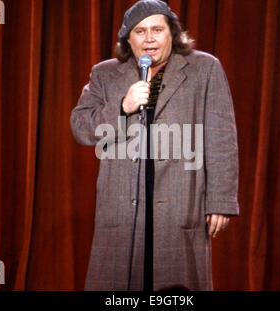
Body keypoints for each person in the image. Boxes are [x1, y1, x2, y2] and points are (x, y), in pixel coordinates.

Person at [70, 0, 239, 291]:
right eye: (140, 31)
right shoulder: (105, 73)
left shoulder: (205, 69)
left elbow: (221, 137)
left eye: (157, 30)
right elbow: (81, 127)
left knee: (177, 290)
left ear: (172, 34)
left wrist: (220, 201)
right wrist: (122, 107)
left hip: (180, 200)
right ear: (128, 39)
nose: (149, 38)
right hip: (123, 203)